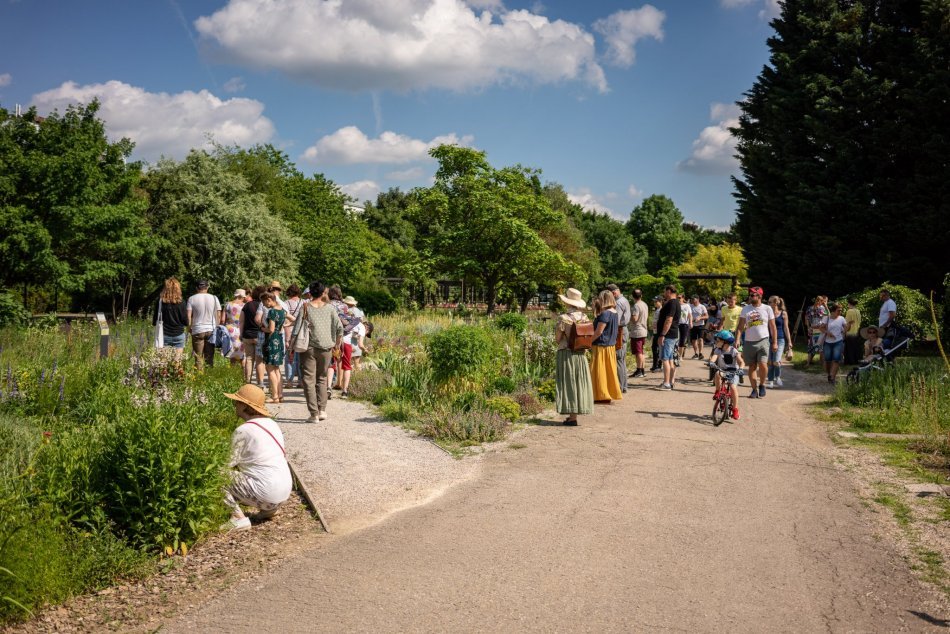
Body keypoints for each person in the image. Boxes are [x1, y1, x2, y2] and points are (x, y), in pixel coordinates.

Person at [220, 384, 292, 531]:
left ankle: (238, 518)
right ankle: (269, 510)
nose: (234, 405)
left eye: (237, 402)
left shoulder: (243, 430)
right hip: (284, 493)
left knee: (216, 474)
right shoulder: (272, 424)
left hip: (267, 493)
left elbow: (227, 462)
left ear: (245, 406)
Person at [292, 281, 343, 423]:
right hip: (326, 348)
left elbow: (296, 329)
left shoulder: (305, 307)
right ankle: (322, 411)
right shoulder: (331, 309)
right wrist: (337, 345)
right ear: (323, 293)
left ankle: (313, 414)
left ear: (310, 293)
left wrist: (291, 346)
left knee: (308, 380)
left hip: (307, 348)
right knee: (322, 378)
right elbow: (340, 328)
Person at [553, 288, 594, 426]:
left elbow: (558, 339)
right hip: (581, 354)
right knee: (578, 382)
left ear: (567, 303)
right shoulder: (585, 318)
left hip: (567, 353)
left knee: (568, 383)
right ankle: (574, 416)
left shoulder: (563, 318)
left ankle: (572, 416)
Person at [735, 286, 777, 399]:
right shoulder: (746, 309)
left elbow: (773, 327)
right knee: (752, 367)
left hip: (763, 340)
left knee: (763, 364)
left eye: (754, 295)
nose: (752, 297)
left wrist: (775, 342)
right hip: (749, 341)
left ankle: (762, 384)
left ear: (760, 296)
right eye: (751, 295)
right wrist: (738, 339)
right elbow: (740, 327)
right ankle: (754, 389)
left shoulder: (767, 308)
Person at [590, 290, 622, 402]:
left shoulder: (605, 313)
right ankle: (608, 393)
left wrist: (589, 342)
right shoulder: (614, 312)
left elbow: (599, 331)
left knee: (599, 371)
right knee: (609, 372)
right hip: (610, 346)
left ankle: (601, 395)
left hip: (601, 345)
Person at [327, 285, 358, 398]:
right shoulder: (344, 306)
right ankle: (344, 391)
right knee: (346, 365)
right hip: (345, 339)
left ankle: (328, 387)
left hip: (332, 338)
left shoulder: (327, 305)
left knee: (331, 364)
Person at [187, 280, 222, 371]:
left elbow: (188, 316)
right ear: (207, 287)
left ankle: (199, 377)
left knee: (198, 357)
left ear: (196, 288)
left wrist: (189, 328)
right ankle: (209, 376)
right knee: (209, 356)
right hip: (211, 329)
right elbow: (218, 315)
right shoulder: (214, 298)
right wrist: (216, 327)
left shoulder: (191, 299)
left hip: (198, 329)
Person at [707, 330, 742, 420]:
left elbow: (741, 362)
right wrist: (711, 362)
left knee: (733, 387)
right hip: (723, 370)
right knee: (718, 373)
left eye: (718, 340)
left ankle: (735, 409)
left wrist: (741, 368)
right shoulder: (718, 350)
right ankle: (718, 391)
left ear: (725, 342)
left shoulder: (733, 350)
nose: (716, 342)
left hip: (734, 372)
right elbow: (714, 358)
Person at [260, 292, 287, 403]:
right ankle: (280, 395)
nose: (263, 304)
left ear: (269, 299)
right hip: (279, 339)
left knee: (270, 369)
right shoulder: (282, 311)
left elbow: (271, 329)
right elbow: (290, 320)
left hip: (271, 340)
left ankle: (274, 396)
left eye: (264, 302)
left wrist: (262, 329)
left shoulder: (272, 311)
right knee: (277, 369)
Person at [153, 277, 189, 359]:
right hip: (178, 334)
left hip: (163, 335)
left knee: (163, 363)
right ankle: (176, 371)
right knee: (177, 361)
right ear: (178, 289)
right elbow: (186, 322)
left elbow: (155, 320)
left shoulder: (160, 302)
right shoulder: (182, 302)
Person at [654, 285, 681, 390]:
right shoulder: (675, 303)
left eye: (665, 291)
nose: (664, 294)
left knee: (665, 358)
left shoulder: (672, 303)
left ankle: (666, 383)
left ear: (669, 291)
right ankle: (669, 381)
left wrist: (662, 334)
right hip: (671, 335)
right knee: (669, 359)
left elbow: (669, 319)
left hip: (668, 335)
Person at [240, 286, 266, 386]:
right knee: (260, 360)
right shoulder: (264, 305)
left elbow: (241, 321)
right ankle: (260, 383)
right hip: (260, 335)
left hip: (247, 335)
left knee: (249, 359)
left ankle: (248, 382)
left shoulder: (247, 305)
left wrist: (241, 334)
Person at [766, 295, 793, 388]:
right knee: (770, 361)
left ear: (776, 303)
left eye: (770, 302)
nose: (768, 304)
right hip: (769, 339)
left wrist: (789, 341)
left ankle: (777, 377)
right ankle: (770, 381)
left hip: (780, 339)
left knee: (776, 361)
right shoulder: (767, 313)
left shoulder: (783, 313)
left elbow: (786, 328)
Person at [607, 284, 630, 393]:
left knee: (619, 359)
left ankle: (620, 386)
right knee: (622, 360)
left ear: (614, 292)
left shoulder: (619, 302)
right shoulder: (624, 300)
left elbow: (616, 319)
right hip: (623, 330)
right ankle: (624, 385)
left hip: (620, 331)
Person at [820, 302, 848, 383]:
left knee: (836, 359)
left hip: (838, 341)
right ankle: (829, 374)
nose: (840, 312)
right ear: (833, 311)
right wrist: (827, 332)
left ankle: (832, 377)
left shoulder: (842, 318)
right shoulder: (827, 318)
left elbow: (846, 329)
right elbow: (821, 328)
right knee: (828, 360)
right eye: (838, 310)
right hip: (828, 342)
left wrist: (848, 326)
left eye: (841, 310)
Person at [283, 285, 304, 389]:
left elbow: (286, 321)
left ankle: (289, 381)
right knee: (300, 358)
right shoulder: (304, 303)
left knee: (290, 358)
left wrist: (287, 339)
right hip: (301, 334)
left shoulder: (286, 303)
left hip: (291, 332)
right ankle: (300, 381)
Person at [221, 289, 246, 367]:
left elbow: (222, 320)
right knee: (242, 355)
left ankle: (233, 374)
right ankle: (244, 377)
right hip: (240, 330)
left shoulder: (227, 304)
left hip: (229, 330)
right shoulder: (244, 306)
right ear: (241, 296)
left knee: (232, 354)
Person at [628, 289, 649, 378]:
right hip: (643, 329)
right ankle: (642, 370)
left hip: (637, 331)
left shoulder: (636, 306)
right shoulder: (644, 304)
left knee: (638, 352)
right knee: (641, 351)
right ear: (641, 295)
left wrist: (629, 316)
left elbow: (635, 319)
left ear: (633, 296)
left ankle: (639, 370)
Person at [805, 296, 829, 366]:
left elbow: (828, 315)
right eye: (818, 300)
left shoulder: (822, 308)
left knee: (819, 346)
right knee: (812, 345)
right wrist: (808, 328)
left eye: (820, 301)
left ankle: (821, 363)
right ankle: (808, 363)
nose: (819, 302)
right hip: (814, 329)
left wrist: (826, 306)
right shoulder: (810, 308)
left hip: (820, 329)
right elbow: (806, 318)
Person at [843, 297, 862, 365]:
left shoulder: (849, 311)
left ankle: (850, 361)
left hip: (850, 332)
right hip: (857, 331)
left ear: (849, 303)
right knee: (856, 347)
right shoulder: (858, 311)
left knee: (850, 348)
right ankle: (857, 360)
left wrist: (845, 332)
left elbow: (848, 324)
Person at [649, 295, 663, 373]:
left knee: (657, 349)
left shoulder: (661, 310)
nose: (655, 303)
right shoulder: (657, 310)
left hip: (659, 332)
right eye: (654, 301)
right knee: (654, 348)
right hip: (655, 332)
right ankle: (655, 364)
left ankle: (658, 365)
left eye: (656, 301)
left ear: (660, 302)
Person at [677, 294, 692, 361]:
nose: (678, 299)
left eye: (680, 297)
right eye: (677, 297)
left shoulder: (687, 306)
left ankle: (680, 356)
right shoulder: (676, 305)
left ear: (683, 298)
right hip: (677, 324)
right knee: (676, 340)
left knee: (682, 341)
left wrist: (690, 322)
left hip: (684, 324)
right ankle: (676, 355)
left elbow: (689, 315)